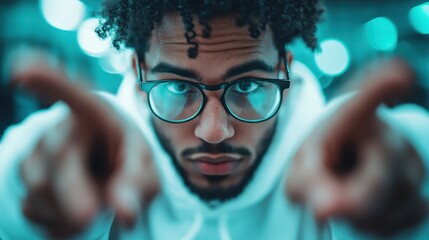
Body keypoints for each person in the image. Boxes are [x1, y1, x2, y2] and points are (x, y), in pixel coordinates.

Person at [0, 0, 428, 239]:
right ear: (136, 73)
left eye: (246, 86)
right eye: (178, 88)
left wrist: (409, 187)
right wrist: (26, 200)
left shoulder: (341, 161)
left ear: (286, 70)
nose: (214, 132)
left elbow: (405, 155)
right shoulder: (94, 161)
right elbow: (22, 179)